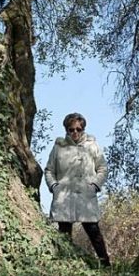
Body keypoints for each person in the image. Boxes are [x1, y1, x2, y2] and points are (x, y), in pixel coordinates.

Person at [44, 112, 111, 267]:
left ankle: (106, 265)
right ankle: (66, 266)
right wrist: (54, 186)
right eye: (71, 129)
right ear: (66, 130)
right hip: (64, 197)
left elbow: (103, 168)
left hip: (86, 196)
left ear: (83, 129)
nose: (75, 132)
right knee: (64, 233)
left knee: (94, 232)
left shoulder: (92, 146)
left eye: (78, 129)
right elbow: (49, 170)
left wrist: (95, 185)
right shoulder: (58, 147)